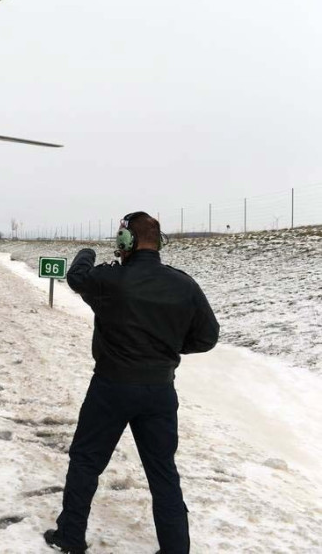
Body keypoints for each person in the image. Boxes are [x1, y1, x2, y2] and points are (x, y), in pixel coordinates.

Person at [44, 212, 219, 554]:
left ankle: (70, 538)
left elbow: (77, 276)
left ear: (126, 242)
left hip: (111, 387)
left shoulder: (112, 280)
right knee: (163, 473)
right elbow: (208, 337)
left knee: (85, 461)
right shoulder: (185, 284)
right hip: (159, 390)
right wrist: (168, 347)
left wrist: (87, 253)